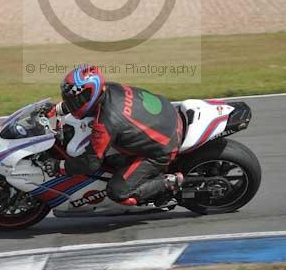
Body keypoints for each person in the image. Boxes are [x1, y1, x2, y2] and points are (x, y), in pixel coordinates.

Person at [43, 64, 184, 206]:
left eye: (74, 100)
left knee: (118, 191)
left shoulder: (106, 122)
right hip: (167, 114)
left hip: (163, 148)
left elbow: (90, 163)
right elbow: (81, 101)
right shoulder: (108, 89)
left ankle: (168, 182)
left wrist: (59, 166)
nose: (72, 103)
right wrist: (56, 109)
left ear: (89, 94)